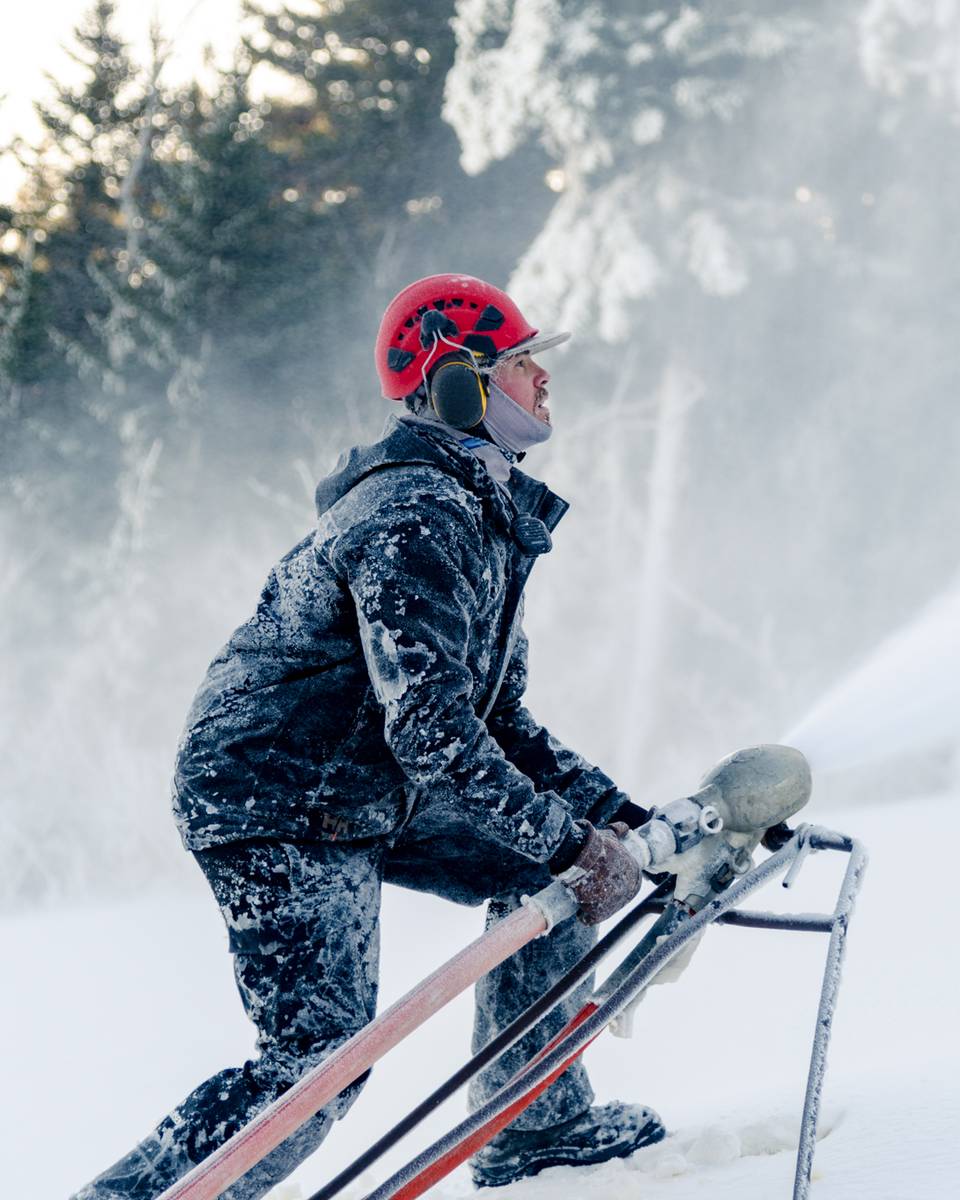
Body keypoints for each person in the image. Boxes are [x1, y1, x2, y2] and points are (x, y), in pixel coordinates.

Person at [71, 273, 665, 1200]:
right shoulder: (411, 514)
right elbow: (434, 733)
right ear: (459, 383)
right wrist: (570, 841)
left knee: (540, 871)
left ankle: (533, 1121)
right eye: (521, 365)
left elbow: (497, 722)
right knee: (319, 1066)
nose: (544, 382)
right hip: (275, 793)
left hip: (362, 780)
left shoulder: (480, 511)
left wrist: (624, 820)